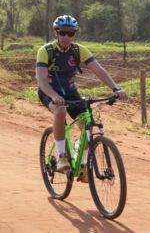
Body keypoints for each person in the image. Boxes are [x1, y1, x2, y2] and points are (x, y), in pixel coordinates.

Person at [36, 15, 127, 182]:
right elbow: (41, 80)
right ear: (56, 33)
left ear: (74, 35)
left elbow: (98, 70)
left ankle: (83, 164)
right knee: (60, 111)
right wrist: (54, 96)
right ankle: (62, 155)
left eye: (70, 34)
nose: (66, 37)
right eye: (63, 33)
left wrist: (116, 88)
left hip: (70, 92)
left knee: (87, 124)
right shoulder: (46, 51)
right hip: (49, 91)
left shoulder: (79, 50)